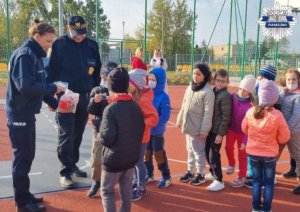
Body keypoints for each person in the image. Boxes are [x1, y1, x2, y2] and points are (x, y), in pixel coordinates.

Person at [5, 19, 64, 212]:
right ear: (37, 37)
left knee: (27, 155)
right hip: (19, 114)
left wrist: (53, 102)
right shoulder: (25, 56)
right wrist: (53, 88)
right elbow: (26, 87)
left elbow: (39, 83)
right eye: (48, 41)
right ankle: (22, 203)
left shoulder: (35, 56)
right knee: (22, 157)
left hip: (27, 113)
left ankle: (25, 194)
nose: (49, 46)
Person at [46, 15, 102, 188]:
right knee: (66, 134)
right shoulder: (59, 44)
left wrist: (94, 93)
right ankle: (65, 172)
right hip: (66, 96)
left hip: (85, 96)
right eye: (76, 33)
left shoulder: (92, 45)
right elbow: (50, 72)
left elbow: (97, 72)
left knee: (77, 132)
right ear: (68, 29)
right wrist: (50, 98)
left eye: (82, 33)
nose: (80, 36)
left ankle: (73, 164)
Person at [99, 67, 145, 212]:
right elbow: (141, 128)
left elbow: (107, 138)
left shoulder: (110, 109)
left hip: (114, 160)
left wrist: (99, 129)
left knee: (107, 191)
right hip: (131, 158)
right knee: (126, 192)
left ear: (111, 87)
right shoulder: (135, 106)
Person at [242, 80, 290, 212]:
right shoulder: (277, 115)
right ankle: (266, 209)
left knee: (257, 181)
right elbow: (285, 136)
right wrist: (277, 139)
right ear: (274, 98)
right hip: (269, 154)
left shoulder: (251, 112)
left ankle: (255, 208)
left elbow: (244, 128)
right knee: (268, 183)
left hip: (253, 152)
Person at [177, 63, 215, 186]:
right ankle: (190, 171)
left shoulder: (208, 92)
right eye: (194, 73)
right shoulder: (190, 88)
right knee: (189, 150)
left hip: (198, 129)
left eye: (198, 74)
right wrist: (180, 119)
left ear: (205, 76)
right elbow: (184, 105)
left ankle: (200, 174)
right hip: (188, 126)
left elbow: (208, 113)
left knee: (198, 151)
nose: (195, 76)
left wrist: (204, 130)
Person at [86, 62, 118, 197]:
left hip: (115, 130)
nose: (106, 81)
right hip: (99, 129)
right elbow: (90, 110)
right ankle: (96, 181)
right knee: (97, 158)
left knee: (114, 158)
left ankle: (110, 183)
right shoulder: (96, 90)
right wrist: (95, 101)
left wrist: (115, 99)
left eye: (108, 78)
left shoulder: (119, 89)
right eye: (104, 78)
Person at [128, 69, 159, 201]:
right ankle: (136, 181)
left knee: (138, 162)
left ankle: (141, 186)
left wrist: (141, 124)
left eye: (129, 84)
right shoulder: (134, 95)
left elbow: (154, 117)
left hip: (141, 137)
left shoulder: (143, 100)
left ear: (136, 85)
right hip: (134, 136)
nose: (126, 86)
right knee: (134, 161)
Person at [225, 75, 256, 187]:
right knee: (228, 147)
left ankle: (242, 176)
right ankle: (231, 163)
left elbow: (251, 125)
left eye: (246, 91)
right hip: (231, 130)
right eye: (241, 89)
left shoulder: (250, 106)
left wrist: (245, 141)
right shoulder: (232, 96)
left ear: (250, 93)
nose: (242, 92)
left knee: (242, 155)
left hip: (243, 134)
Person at [145, 67, 172, 188]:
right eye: (149, 78)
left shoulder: (164, 97)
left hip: (157, 132)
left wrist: (153, 123)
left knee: (158, 154)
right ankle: (149, 173)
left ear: (160, 80)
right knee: (146, 153)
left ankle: (166, 176)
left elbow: (165, 116)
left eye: (153, 79)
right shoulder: (147, 94)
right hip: (146, 131)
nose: (151, 81)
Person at [205, 69, 232, 191]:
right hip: (210, 129)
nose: (220, 83)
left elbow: (226, 116)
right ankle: (212, 171)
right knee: (207, 152)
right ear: (214, 80)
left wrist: (221, 134)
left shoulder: (225, 96)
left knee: (213, 154)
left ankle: (219, 179)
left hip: (217, 131)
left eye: (223, 81)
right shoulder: (213, 91)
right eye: (218, 80)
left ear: (228, 82)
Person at [279, 69, 300, 194]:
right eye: (289, 79)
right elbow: (278, 102)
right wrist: (283, 92)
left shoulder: (298, 95)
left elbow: (297, 115)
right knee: (292, 153)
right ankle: (293, 170)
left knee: (297, 154)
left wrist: (286, 128)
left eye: (294, 79)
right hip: (285, 129)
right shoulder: (286, 93)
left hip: (294, 130)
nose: (291, 82)